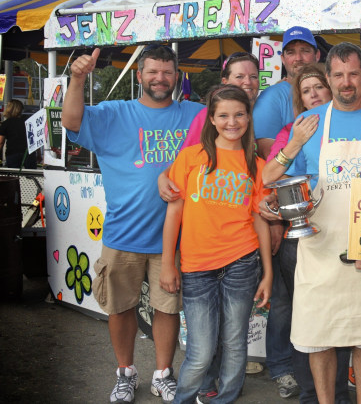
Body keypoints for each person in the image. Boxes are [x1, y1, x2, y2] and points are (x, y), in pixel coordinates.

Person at [62, 45, 204, 404]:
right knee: (120, 308)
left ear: (178, 77)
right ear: (139, 76)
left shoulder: (195, 115)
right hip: (123, 235)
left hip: (173, 240)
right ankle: (125, 373)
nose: (160, 78)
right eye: (153, 71)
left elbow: (234, 126)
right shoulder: (114, 113)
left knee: (167, 309)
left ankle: (162, 374)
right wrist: (77, 78)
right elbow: (71, 121)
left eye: (167, 72)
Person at [263, 42, 361, 404]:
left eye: (353, 74)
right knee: (318, 335)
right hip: (319, 247)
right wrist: (293, 144)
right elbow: (270, 177)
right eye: (338, 75)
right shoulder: (307, 122)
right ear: (328, 77)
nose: (346, 83)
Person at [157, 51, 264, 403]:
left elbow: (260, 220)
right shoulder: (191, 159)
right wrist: (168, 263)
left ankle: (225, 398)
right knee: (201, 350)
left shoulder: (256, 165)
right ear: (212, 120)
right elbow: (174, 214)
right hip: (197, 267)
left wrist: (269, 274)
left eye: (239, 115)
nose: (232, 122)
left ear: (248, 118)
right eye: (224, 116)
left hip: (242, 263)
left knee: (234, 343)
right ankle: (184, 398)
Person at [261, 64, 334, 402]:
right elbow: (270, 176)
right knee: (296, 311)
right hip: (301, 237)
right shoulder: (290, 131)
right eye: (307, 90)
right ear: (300, 100)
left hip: (340, 235)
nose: (315, 94)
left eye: (319, 86)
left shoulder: (350, 125)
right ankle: (300, 382)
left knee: (332, 314)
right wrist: (297, 141)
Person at [254, 26, 321, 160]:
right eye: (291, 53)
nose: (298, 58)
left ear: (317, 55)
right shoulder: (271, 97)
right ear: (283, 59)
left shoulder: (329, 91)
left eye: (305, 51)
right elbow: (268, 152)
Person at [0, 99, 36, 169]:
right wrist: (38, 154)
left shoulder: (5, 124)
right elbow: (34, 138)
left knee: (14, 176)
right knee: (31, 175)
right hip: (28, 153)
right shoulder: (28, 122)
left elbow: (1, 142)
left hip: (12, 153)